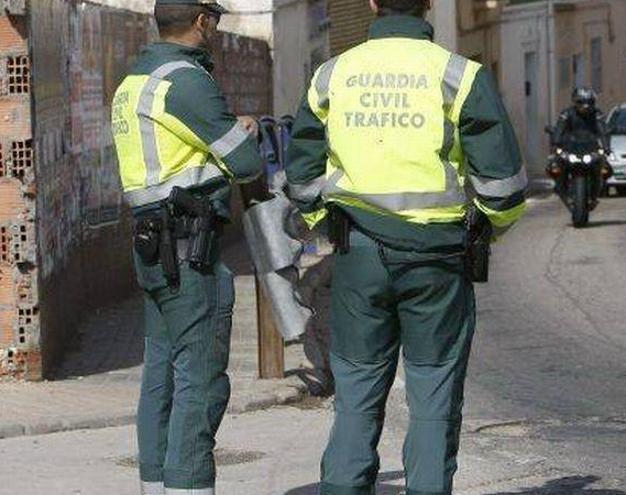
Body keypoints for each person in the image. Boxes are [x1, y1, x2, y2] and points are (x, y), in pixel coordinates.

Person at [284, 1, 527, 493]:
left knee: (355, 396)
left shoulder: (333, 75)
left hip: (358, 255)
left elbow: (302, 175)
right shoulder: (460, 76)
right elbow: (502, 187)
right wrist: (484, 230)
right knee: (433, 400)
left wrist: (325, 223)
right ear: (430, 3)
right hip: (437, 261)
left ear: (373, 4)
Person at [110, 1, 263, 494]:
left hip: (154, 245)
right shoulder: (186, 81)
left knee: (161, 373)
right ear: (202, 21)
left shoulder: (134, 80)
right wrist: (245, 131)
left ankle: (157, 485)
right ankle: (189, 486)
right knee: (200, 380)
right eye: (214, 17)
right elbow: (245, 163)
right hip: (190, 248)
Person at [547, 87, 610, 184]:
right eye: (581, 102)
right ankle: (561, 184)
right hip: (570, 148)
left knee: (605, 168)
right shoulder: (567, 113)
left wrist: (606, 147)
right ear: (575, 102)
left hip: (591, 148)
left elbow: (603, 131)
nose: (585, 106)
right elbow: (559, 128)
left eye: (589, 102)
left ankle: (598, 184)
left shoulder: (597, 114)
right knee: (555, 166)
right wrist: (555, 142)